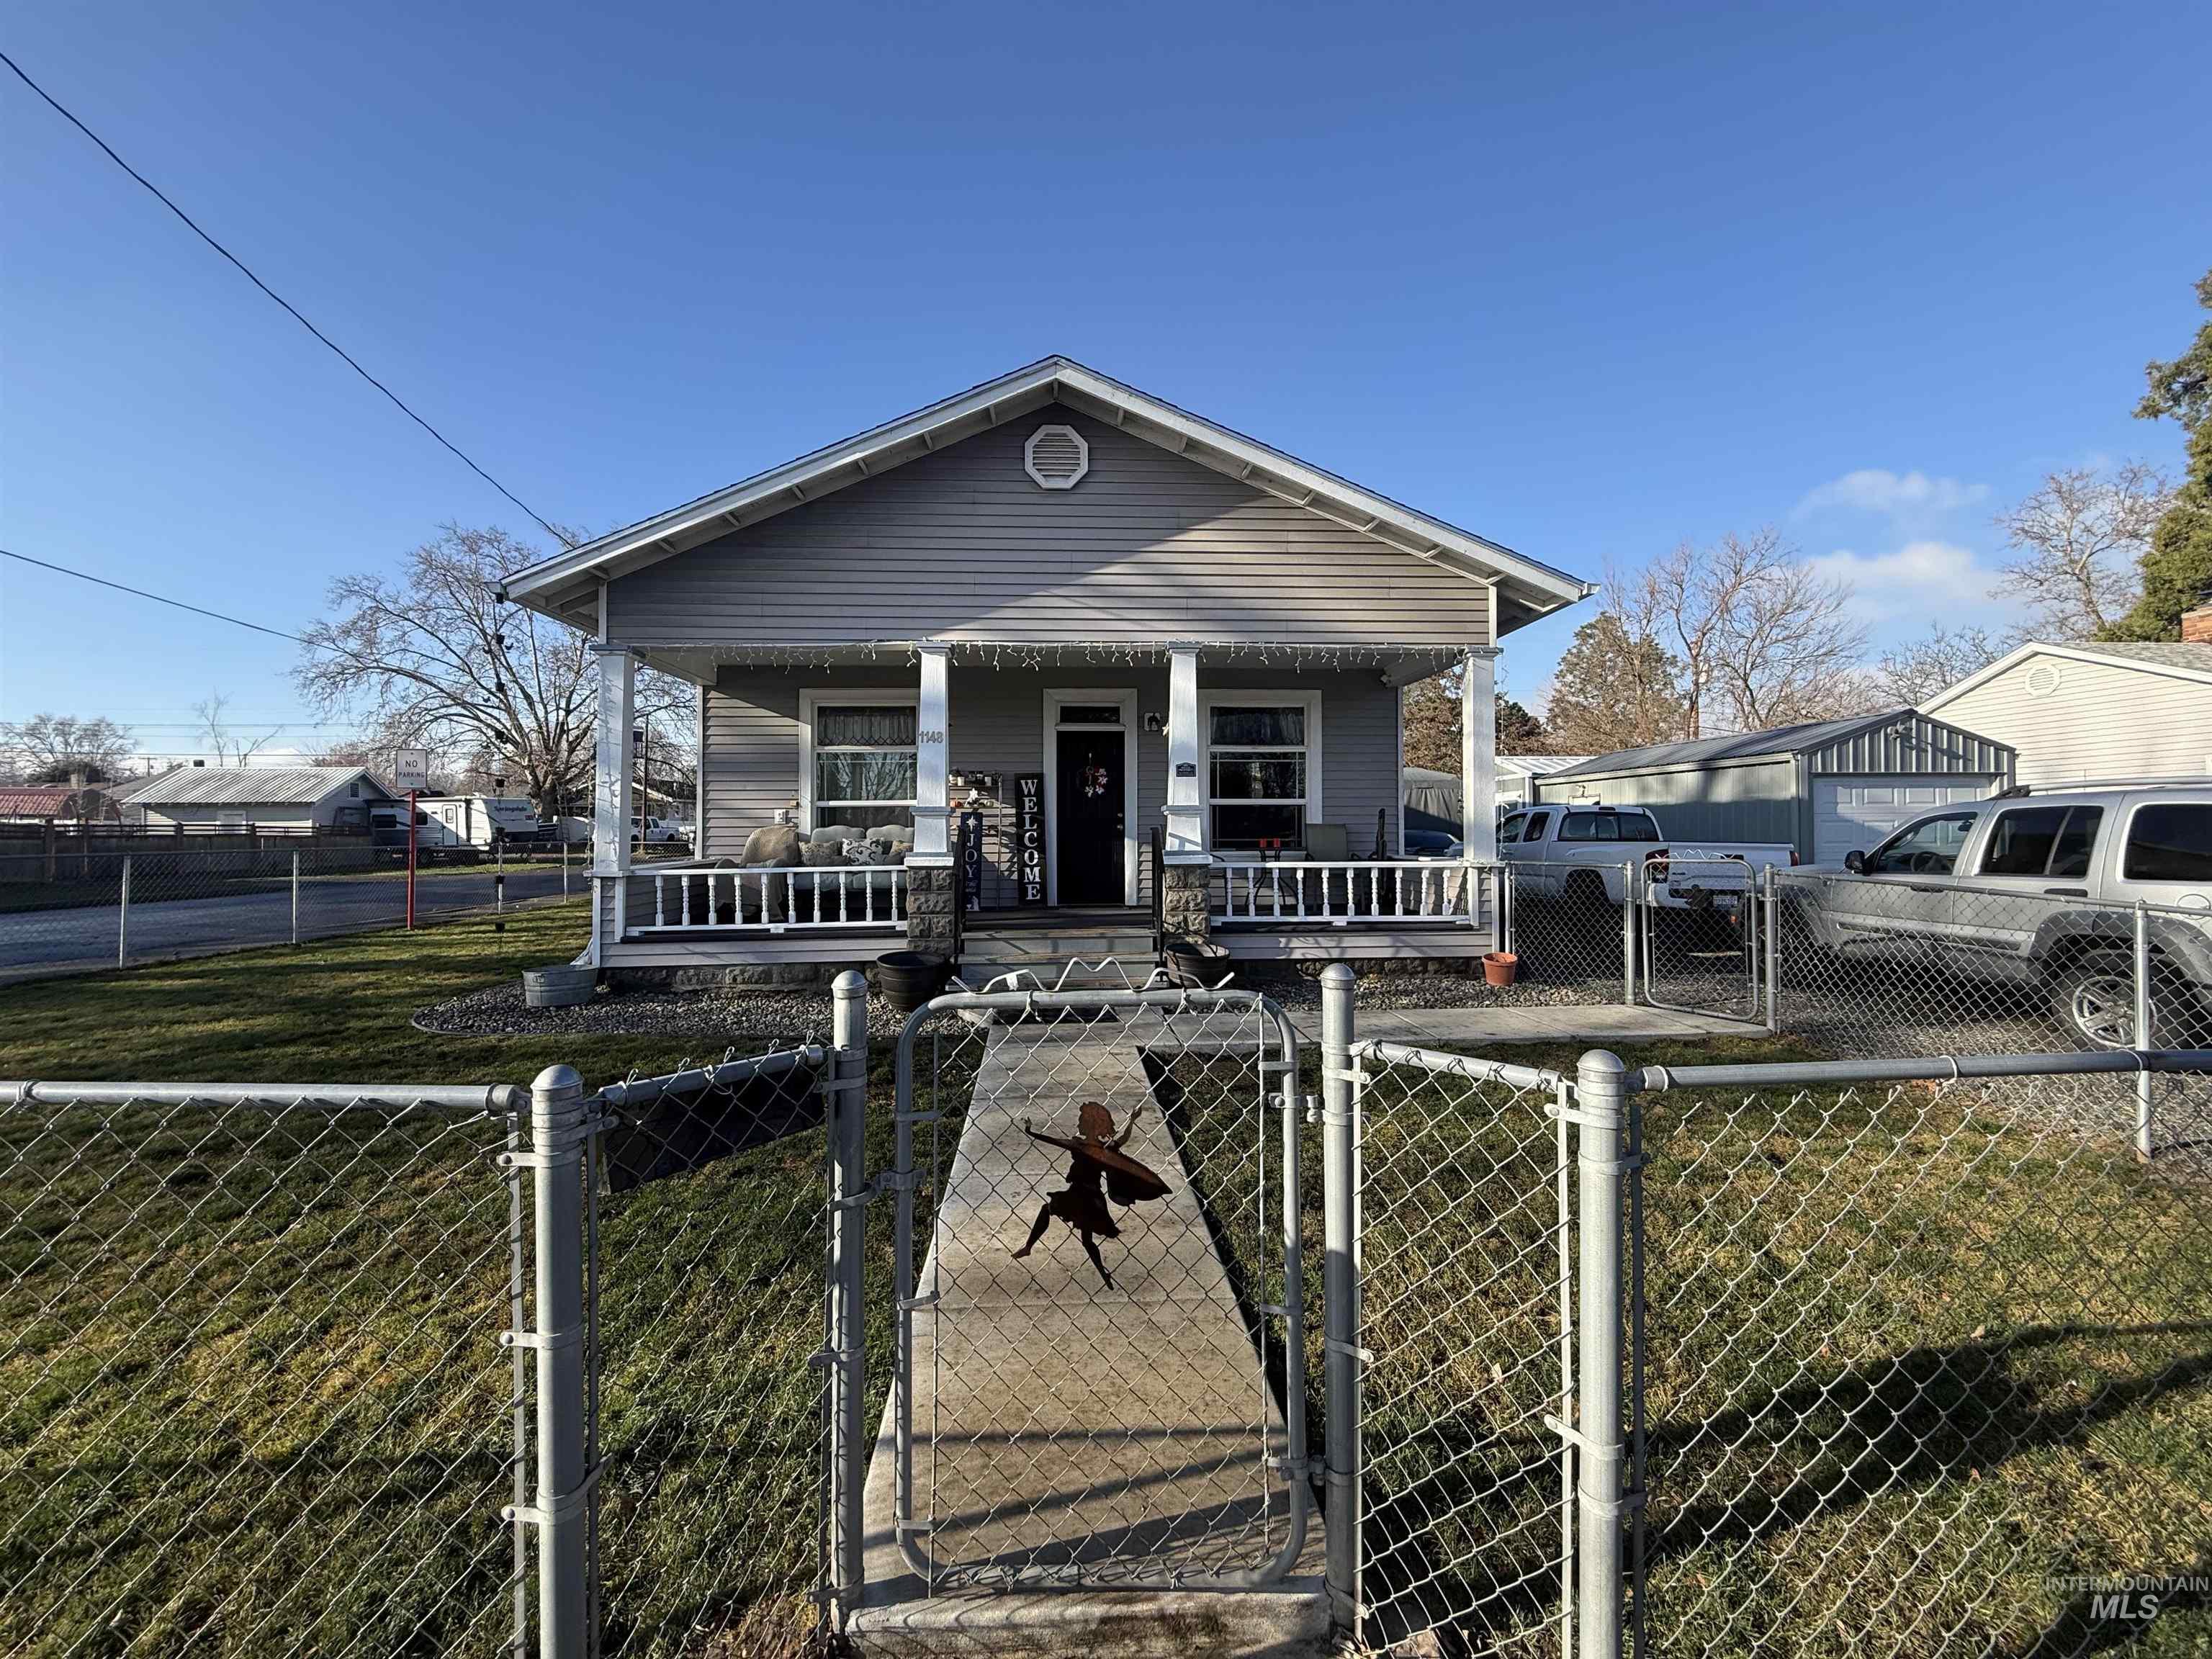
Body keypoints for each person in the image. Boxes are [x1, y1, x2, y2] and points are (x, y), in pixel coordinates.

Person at [1010, 1100, 1170, 1290]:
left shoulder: (1092, 1148)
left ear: (1090, 1125)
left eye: (1082, 1121)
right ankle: (1100, 1271)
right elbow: (1056, 1141)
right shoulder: (1097, 1148)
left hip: (1084, 1196)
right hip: (1088, 1197)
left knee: (1061, 1219)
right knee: (1084, 1238)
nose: (1079, 1124)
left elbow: (1123, 1139)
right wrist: (1031, 1132)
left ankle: (1030, 1247)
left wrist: (1133, 1120)